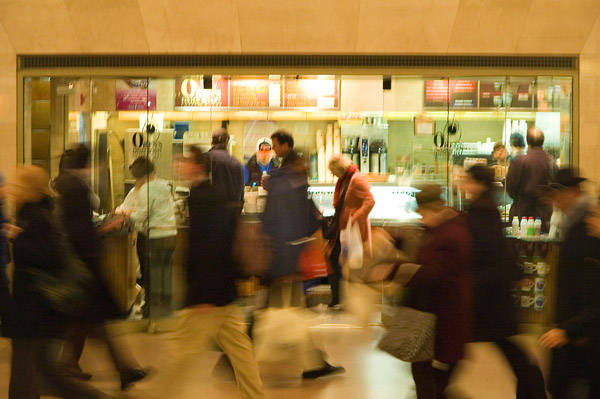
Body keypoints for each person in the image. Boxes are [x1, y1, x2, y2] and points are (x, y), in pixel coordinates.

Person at [147, 146, 264, 399]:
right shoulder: (208, 193)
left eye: (184, 162)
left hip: (208, 294)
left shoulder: (203, 197)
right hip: (223, 292)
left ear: (198, 166)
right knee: (241, 350)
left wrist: (203, 293)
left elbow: (211, 246)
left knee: (180, 350)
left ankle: (156, 394)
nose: (179, 166)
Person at [3, 165, 109, 399]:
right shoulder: (35, 214)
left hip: (35, 311)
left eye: (18, 186)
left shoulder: (36, 217)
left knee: (36, 376)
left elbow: (44, 256)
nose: (12, 190)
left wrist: (18, 239)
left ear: (28, 189)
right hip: (37, 311)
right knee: (45, 375)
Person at [54, 145, 148, 390]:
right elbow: (80, 231)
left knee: (88, 321)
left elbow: (74, 228)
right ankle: (120, 370)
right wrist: (101, 233)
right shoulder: (77, 188)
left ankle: (71, 367)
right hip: (84, 266)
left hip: (79, 265)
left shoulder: (66, 186)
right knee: (93, 321)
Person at [262, 129, 345, 379]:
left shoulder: (283, 183)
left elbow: (278, 222)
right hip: (285, 260)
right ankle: (238, 357)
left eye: (276, 146)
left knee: (281, 312)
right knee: (283, 313)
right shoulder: (289, 183)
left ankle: (313, 363)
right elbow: (285, 223)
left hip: (282, 259)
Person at [463, 165, 547, 399]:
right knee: (503, 344)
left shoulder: (482, 211)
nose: (463, 184)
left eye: (468, 180)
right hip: (492, 291)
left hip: (487, 292)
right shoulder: (485, 208)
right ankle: (533, 388)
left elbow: (487, 252)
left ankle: (437, 387)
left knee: (471, 342)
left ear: (479, 184)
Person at [394, 184, 473, 399]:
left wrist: (395, 271)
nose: (420, 217)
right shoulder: (438, 229)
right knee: (423, 370)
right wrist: (398, 242)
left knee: (430, 372)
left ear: (434, 208)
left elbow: (435, 272)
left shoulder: (452, 234)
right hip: (428, 313)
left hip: (443, 314)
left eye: (423, 212)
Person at [539, 168, 600, 399]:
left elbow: (590, 293)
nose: (590, 221)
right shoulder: (573, 224)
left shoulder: (582, 232)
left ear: (572, 192)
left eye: (596, 216)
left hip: (582, 332)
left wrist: (575, 330)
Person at [128, 157, 177, 318]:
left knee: (150, 274)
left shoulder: (145, 189)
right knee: (165, 272)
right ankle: (165, 307)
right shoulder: (164, 186)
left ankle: (151, 309)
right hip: (170, 234)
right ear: (153, 171)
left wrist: (126, 215)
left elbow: (142, 215)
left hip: (154, 235)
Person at [326, 154, 375, 308]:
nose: (333, 175)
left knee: (347, 262)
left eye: (333, 171)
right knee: (339, 260)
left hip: (352, 229)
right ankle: (340, 297)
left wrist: (355, 217)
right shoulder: (346, 180)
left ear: (339, 169)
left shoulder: (356, 179)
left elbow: (370, 201)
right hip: (345, 229)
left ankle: (344, 299)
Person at [506, 127, 557, 230]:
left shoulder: (519, 161)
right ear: (542, 141)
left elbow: (510, 187)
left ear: (527, 142)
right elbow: (557, 187)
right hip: (545, 213)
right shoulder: (552, 161)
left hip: (522, 212)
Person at [207, 128, 244, 205]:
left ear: (212, 141)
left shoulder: (204, 159)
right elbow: (240, 195)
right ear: (227, 141)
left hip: (207, 213)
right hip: (229, 213)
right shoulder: (235, 163)